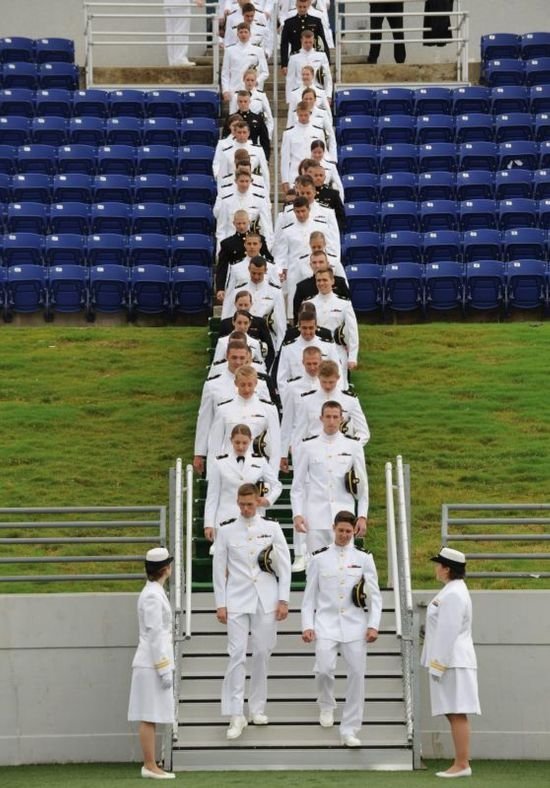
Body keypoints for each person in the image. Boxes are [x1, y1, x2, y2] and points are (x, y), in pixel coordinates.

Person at [213, 483, 291, 739]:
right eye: (242, 504)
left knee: (261, 653)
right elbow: (219, 568)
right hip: (236, 599)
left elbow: (285, 566)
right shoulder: (225, 531)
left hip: (266, 599)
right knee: (236, 654)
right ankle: (236, 713)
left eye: (250, 504)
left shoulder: (272, 528)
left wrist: (284, 599)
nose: (246, 508)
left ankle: (257, 708)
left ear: (258, 502)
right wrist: (220, 603)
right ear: (237, 503)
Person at [301, 511, 382, 746]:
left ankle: (350, 729)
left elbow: (375, 596)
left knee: (357, 675)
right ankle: (326, 703)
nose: (345, 535)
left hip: (355, 625)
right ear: (333, 528)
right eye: (341, 530)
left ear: (354, 530)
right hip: (326, 623)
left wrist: (373, 624)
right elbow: (309, 597)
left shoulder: (364, 558)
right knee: (324, 669)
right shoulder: (318, 558)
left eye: (349, 531)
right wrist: (307, 624)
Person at [421, 547, 480, 779]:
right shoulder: (452, 590)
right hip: (451, 661)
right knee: (453, 712)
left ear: (447, 569)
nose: (436, 568)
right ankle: (461, 761)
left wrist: (437, 665)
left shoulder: (454, 594)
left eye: (439, 565)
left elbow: (448, 632)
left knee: (457, 712)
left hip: (452, 661)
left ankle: (462, 763)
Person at [290, 400, 369, 556]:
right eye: (328, 417)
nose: (331, 421)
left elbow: (363, 484)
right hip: (315, 516)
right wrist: (297, 514)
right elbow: (297, 485)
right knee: (314, 564)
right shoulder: (308, 446)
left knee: (344, 562)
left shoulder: (353, 446)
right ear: (321, 418)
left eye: (335, 417)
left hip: (344, 515)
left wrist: (362, 516)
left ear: (342, 419)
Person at [128, 547, 176, 780]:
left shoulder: (155, 592)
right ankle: (149, 764)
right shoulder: (151, 596)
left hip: (152, 662)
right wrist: (164, 667)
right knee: (148, 715)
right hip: (151, 663)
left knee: (152, 715)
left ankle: (151, 763)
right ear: (166, 569)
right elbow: (155, 634)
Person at [204, 424, 282, 552]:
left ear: (251, 440)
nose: (241, 446)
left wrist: (267, 500)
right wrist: (208, 524)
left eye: (245, 443)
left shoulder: (259, 461)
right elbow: (212, 495)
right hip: (225, 518)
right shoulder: (220, 462)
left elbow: (277, 485)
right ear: (231, 441)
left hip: (251, 518)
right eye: (237, 442)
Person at [221, 22, 269, 101]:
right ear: (237, 34)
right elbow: (225, 73)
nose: (243, 35)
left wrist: (256, 81)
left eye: (246, 32)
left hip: (253, 91)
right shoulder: (229, 50)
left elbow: (265, 72)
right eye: (241, 32)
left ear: (250, 34)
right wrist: (225, 90)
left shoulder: (258, 50)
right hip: (235, 90)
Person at [163, 0, 204, 67]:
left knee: (171, 33)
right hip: (180, 3)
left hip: (168, 4)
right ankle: (180, 59)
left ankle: (173, 61)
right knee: (181, 30)